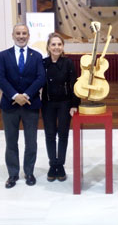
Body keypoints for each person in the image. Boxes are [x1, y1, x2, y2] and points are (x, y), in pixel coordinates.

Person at [0, 24, 45, 189]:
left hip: (30, 105)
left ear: (29, 35)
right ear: (13, 35)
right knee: (11, 141)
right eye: (18, 33)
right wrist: (16, 96)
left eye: (24, 33)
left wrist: (27, 95)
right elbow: (0, 78)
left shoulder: (37, 56)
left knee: (31, 142)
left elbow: (40, 78)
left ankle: (29, 172)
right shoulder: (3, 56)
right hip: (10, 105)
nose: (21, 36)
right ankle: (13, 174)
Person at [41, 33, 80, 182]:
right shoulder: (43, 63)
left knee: (63, 135)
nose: (56, 47)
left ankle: (61, 164)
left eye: (59, 44)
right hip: (48, 103)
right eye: (53, 44)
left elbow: (74, 84)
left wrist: (74, 104)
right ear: (48, 47)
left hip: (65, 104)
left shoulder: (68, 63)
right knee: (50, 135)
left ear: (63, 47)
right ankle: (53, 164)